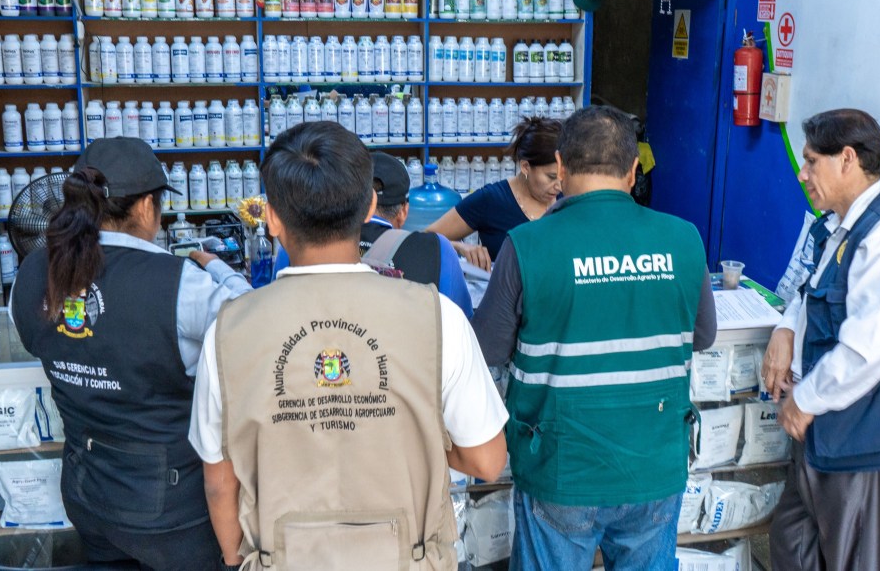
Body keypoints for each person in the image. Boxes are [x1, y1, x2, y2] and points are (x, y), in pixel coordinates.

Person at [189, 122, 509, 571]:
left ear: (272, 218)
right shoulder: (438, 317)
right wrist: (417, 437)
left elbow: (220, 483)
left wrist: (233, 558)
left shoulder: (228, 332)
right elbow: (487, 461)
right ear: (370, 206)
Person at [472, 105, 716, 571]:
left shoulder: (527, 244)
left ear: (561, 166)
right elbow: (703, 335)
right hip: (653, 461)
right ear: (633, 171)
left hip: (562, 466)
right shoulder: (684, 238)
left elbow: (489, 348)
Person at [9, 137, 251, 570]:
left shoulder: (31, 272)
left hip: (87, 492)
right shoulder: (180, 284)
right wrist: (217, 267)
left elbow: (38, 338)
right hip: (169, 507)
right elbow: (251, 322)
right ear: (144, 207)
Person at [761, 109, 880, 570]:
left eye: (812, 161)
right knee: (792, 545)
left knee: (851, 559)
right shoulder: (839, 226)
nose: (803, 174)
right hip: (820, 432)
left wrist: (805, 400)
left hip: (859, 440)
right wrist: (786, 328)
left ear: (848, 159)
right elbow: (812, 291)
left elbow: (873, 344)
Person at [270, 152, 474, 318]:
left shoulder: (296, 245)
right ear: (404, 211)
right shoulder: (437, 250)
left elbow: (276, 314)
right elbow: (462, 322)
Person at [427, 117, 562, 270]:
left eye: (563, 175)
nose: (559, 186)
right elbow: (425, 238)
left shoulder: (569, 197)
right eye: (551, 177)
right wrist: (459, 247)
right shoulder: (491, 199)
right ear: (525, 167)